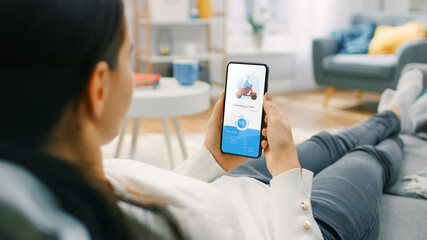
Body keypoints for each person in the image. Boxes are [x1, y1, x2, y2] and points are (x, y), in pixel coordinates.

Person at [0, 1, 426, 240]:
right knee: (370, 155)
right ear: (98, 87)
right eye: (129, 59)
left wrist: (210, 160)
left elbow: (152, 201)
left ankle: (395, 111)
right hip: (292, 221)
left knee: (332, 142)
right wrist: (286, 175)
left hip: (234, 185)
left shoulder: (51, 176)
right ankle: (398, 117)